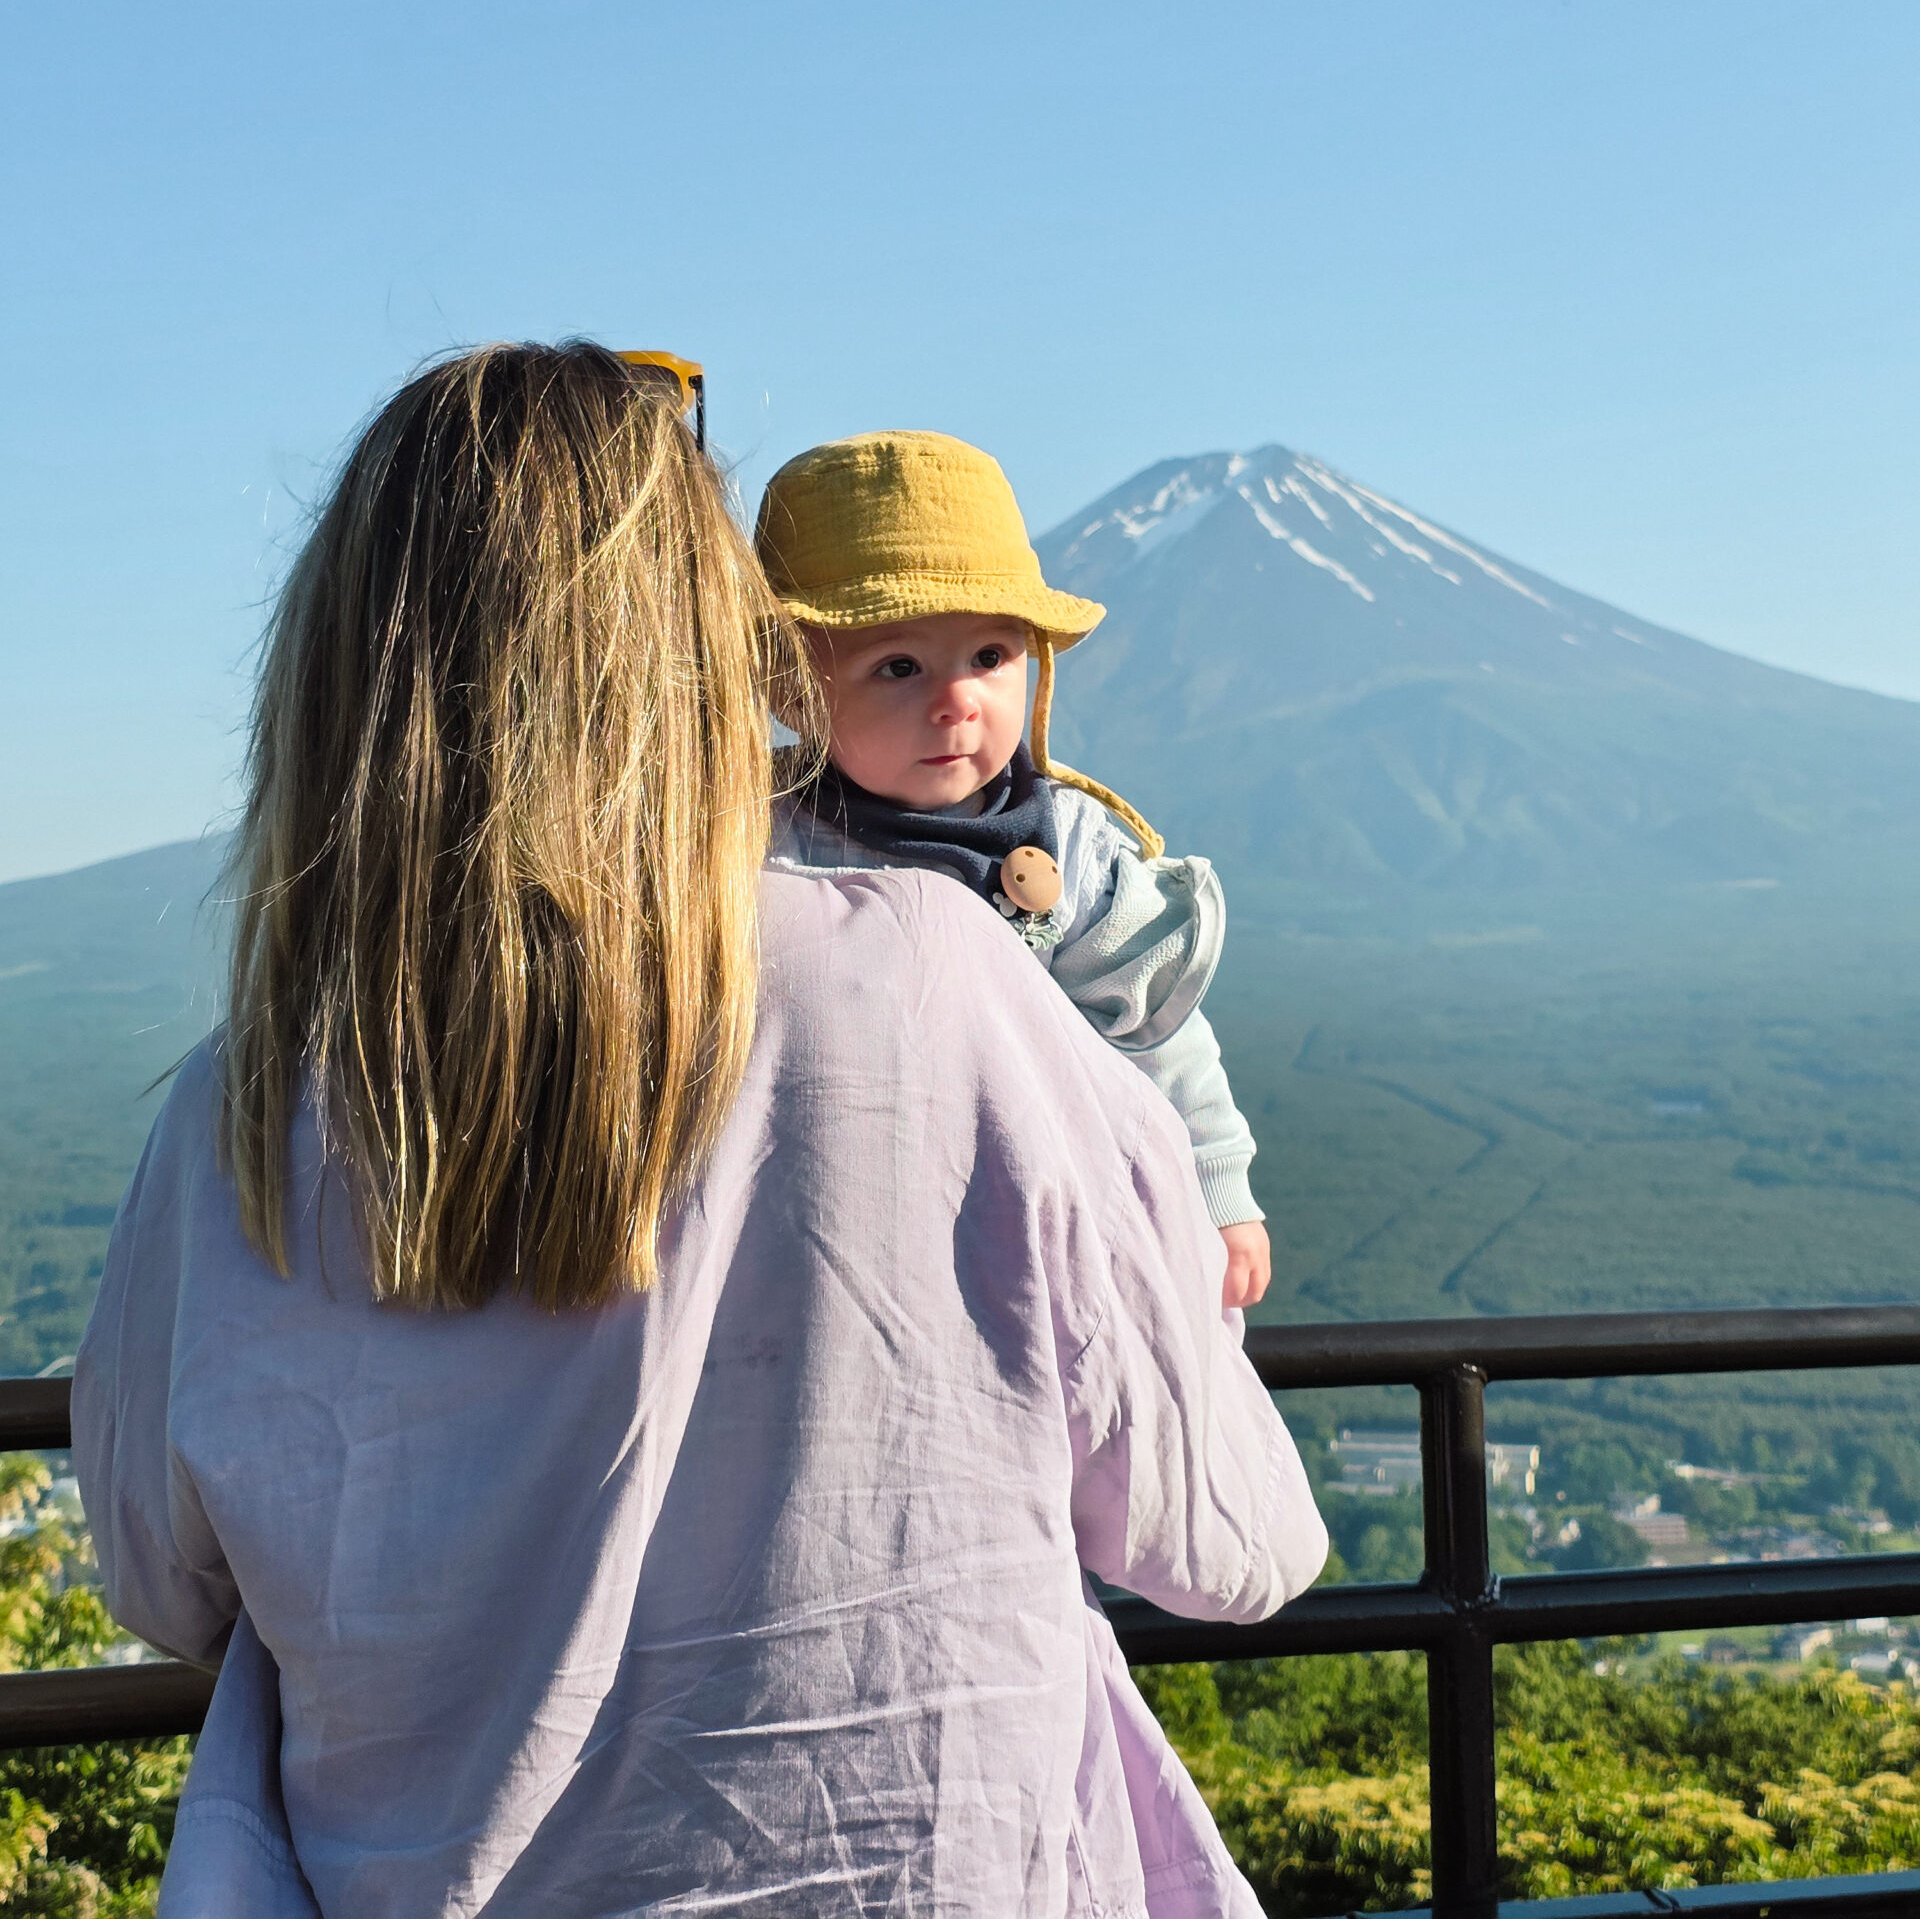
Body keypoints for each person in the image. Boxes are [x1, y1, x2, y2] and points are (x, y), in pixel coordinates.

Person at [72, 343, 1327, 1917]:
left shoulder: (242, 1114)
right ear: (721, 648)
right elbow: (1233, 1541)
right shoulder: (936, 979)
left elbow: (158, 1577)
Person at [755, 430, 1271, 1309]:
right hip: (830, 1231)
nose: (957, 699)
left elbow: (1156, 1029)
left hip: (1038, 1230)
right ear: (791, 681)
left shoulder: (1063, 845)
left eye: (990, 658)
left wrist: (1218, 1188)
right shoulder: (765, 845)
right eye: (899, 666)